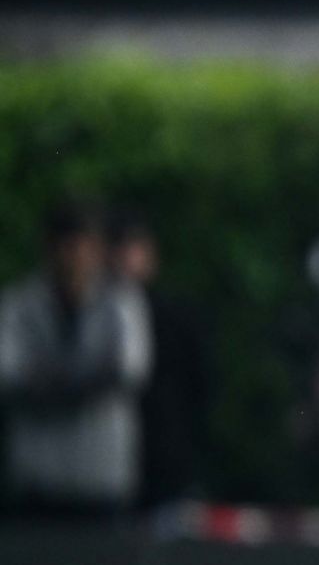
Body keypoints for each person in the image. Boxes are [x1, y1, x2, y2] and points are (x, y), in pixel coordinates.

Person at [0, 200, 151, 520]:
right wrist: (81, 378)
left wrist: (53, 380)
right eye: (65, 246)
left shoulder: (120, 303)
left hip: (101, 476)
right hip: (38, 478)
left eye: (82, 246)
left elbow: (130, 369)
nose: (74, 258)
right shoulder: (19, 304)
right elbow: (8, 372)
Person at [109, 210, 211, 508]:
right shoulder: (97, 318)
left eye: (135, 248)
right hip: (108, 467)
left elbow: (199, 386)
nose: (127, 258)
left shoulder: (176, 317)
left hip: (166, 461)